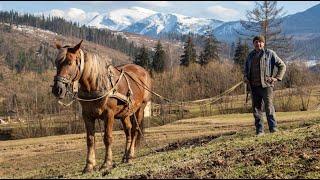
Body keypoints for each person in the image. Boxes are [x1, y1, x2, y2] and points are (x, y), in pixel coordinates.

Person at [243, 35, 286, 136]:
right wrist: (245, 77)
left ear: (263, 43)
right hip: (253, 87)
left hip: (266, 86)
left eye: (260, 42)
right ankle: (260, 131)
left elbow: (282, 66)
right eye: (256, 42)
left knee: (269, 107)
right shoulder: (250, 56)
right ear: (253, 44)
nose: (258, 44)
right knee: (256, 110)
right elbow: (245, 69)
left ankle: (273, 129)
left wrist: (276, 78)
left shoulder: (270, 54)